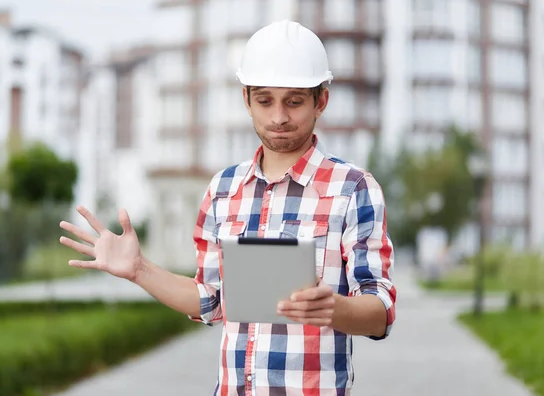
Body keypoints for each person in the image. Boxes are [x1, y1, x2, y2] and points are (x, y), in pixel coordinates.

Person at [59, 20, 396, 395]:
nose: (279, 117)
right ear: (246, 99)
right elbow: (212, 301)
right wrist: (139, 270)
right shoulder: (224, 190)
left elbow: (380, 310)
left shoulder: (353, 189)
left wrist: (335, 309)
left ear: (321, 101)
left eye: (294, 101)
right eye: (265, 100)